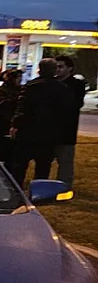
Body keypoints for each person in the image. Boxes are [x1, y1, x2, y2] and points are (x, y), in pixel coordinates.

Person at [10, 58, 72, 184]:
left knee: (20, 165)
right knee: (43, 167)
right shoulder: (62, 88)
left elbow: (23, 108)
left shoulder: (31, 86)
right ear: (54, 70)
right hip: (49, 134)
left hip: (28, 131)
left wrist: (16, 125)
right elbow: (65, 111)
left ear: (39, 70)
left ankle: (16, 188)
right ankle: (39, 191)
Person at [54, 55, 87, 188]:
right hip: (48, 129)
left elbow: (75, 104)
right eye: (56, 67)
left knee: (65, 161)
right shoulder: (51, 82)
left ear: (69, 68)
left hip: (66, 130)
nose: (58, 70)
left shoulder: (76, 85)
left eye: (61, 66)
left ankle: (64, 186)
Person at [0, 69, 22, 164]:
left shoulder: (22, 90)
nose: (20, 80)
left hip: (15, 125)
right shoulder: (0, 90)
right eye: (18, 77)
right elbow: (2, 105)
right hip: (1, 125)